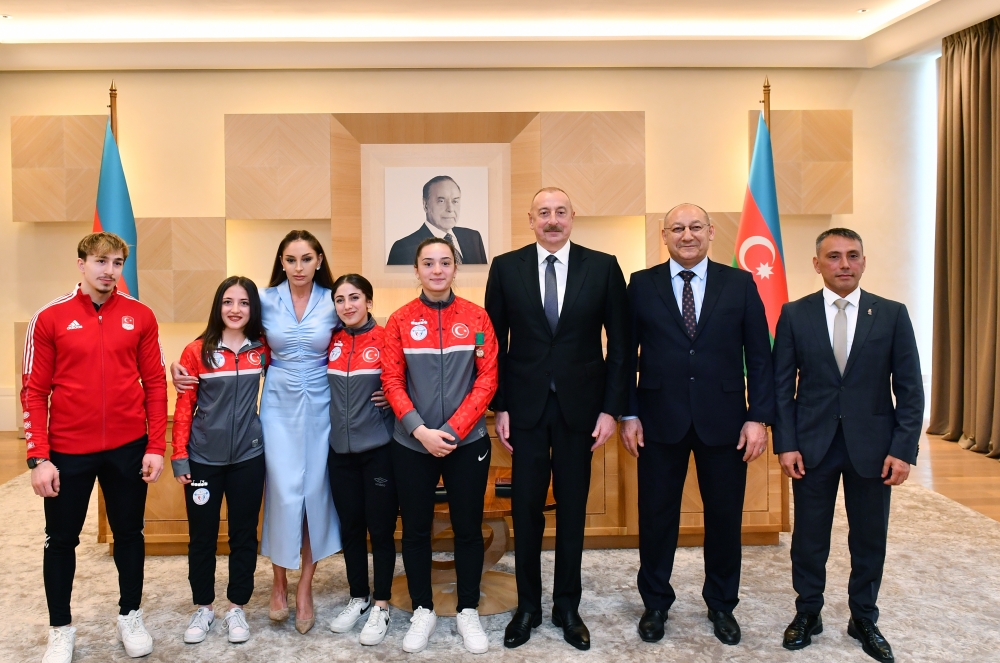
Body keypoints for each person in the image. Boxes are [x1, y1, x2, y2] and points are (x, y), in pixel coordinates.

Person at [173, 231, 387, 634]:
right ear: (281, 262)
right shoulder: (264, 299)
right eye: (291, 259)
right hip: (277, 402)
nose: (298, 267)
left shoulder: (332, 298)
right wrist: (184, 362)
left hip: (324, 402)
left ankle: (305, 587)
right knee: (282, 493)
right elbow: (230, 332)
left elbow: (367, 335)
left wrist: (387, 388)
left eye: (306, 259)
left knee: (314, 494)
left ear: (319, 260)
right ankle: (278, 581)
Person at [619, 203, 775, 646]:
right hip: (657, 421)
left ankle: (722, 604)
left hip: (725, 422)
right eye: (677, 228)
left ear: (710, 232)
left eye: (695, 227)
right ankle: (655, 603)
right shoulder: (641, 284)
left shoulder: (740, 283)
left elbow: (760, 357)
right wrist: (628, 413)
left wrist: (758, 417)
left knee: (724, 518)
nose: (686, 235)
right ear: (664, 236)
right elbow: (624, 356)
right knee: (656, 518)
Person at [485, 187, 629, 651]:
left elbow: (621, 345)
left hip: (581, 410)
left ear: (572, 217)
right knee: (525, 510)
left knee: (571, 509)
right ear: (530, 219)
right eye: (543, 212)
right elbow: (493, 343)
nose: (552, 220)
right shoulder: (506, 267)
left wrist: (611, 409)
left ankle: (568, 606)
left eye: (560, 212)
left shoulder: (603, 266)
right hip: (524, 409)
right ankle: (528, 607)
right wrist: (501, 406)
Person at [772, 228, 922, 663]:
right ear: (817, 264)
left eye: (853, 255)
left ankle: (864, 618)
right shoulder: (794, 314)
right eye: (834, 256)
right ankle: (808, 612)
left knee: (869, 537)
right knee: (809, 536)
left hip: (874, 448)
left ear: (863, 261)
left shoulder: (891, 314)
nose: (844, 264)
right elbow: (782, 387)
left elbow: (910, 389)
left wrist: (903, 449)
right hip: (812, 446)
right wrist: (786, 443)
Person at [22, 232, 167, 662]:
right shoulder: (49, 317)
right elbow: (34, 391)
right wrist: (38, 457)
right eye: (101, 261)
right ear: (81, 264)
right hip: (68, 451)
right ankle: (60, 629)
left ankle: (130, 615)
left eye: (118, 262)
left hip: (127, 447)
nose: (109, 271)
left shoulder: (141, 315)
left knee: (130, 534)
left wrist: (155, 445)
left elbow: (155, 384)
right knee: (61, 539)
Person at [382, 237, 498, 654]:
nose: (436, 270)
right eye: (428, 263)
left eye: (444, 262)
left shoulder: (477, 317)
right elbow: (391, 380)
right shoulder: (399, 320)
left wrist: (451, 430)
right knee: (415, 531)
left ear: (454, 268)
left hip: (468, 442)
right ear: (416, 270)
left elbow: (487, 378)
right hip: (413, 445)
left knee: (468, 529)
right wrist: (421, 431)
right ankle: (422, 609)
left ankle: (468, 608)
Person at [170, 276, 269, 646]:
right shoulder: (196, 351)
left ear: (252, 308)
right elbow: (184, 407)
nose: (235, 309)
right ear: (218, 306)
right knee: (203, 537)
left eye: (244, 303)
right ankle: (204, 607)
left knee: (244, 534)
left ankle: (237, 607)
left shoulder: (263, 348)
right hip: (203, 460)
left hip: (249, 457)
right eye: (228, 301)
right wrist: (180, 457)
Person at [325, 273, 398, 647]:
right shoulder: (331, 340)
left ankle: (382, 603)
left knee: (380, 530)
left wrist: (395, 394)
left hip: (379, 451)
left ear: (369, 301)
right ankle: (359, 596)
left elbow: (410, 378)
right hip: (338, 453)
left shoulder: (386, 338)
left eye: (354, 297)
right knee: (350, 528)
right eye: (340, 299)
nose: (347, 305)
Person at [386, 175, 488, 265]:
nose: (450, 209)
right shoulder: (403, 249)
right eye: (441, 201)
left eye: (455, 201)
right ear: (425, 205)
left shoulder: (474, 238)